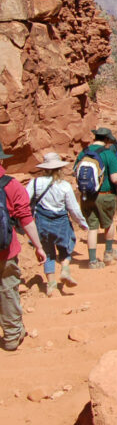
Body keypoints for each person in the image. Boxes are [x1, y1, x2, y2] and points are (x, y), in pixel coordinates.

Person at [0, 144, 46, 351]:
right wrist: (38, 246)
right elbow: (25, 218)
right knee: (8, 289)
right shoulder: (10, 185)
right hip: (5, 251)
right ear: (2, 160)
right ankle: (11, 335)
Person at [26, 153, 88, 297]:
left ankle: (51, 286)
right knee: (66, 246)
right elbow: (73, 208)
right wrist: (82, 223)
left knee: (47, 253)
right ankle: (65, 270)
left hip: (42, 221)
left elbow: (25, 200)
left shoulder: (35, 183)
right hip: (61, 221)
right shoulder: (64, 186)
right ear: (59, 168)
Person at [74, 128, 117, 269]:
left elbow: (76, 172)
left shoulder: (84, 152)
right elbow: (115, 178)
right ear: (106, 140)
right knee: (108, 223)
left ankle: (92, 261)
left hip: (87, 196)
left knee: (92, 228)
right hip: (105, 195)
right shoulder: (108, 154)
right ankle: (108, 253)